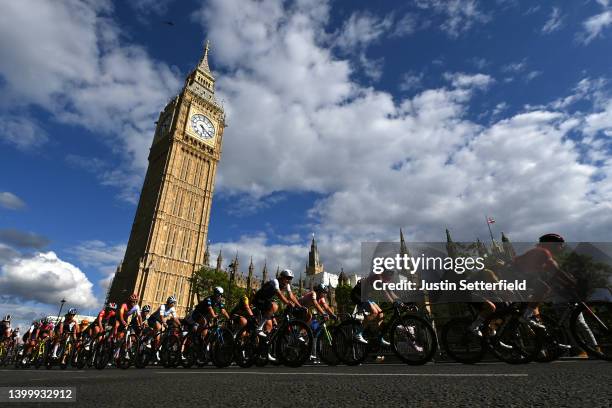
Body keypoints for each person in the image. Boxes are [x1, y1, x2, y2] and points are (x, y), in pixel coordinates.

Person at [350, 269, 400, 346]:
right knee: (374, 312)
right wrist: (394, 303)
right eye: (390, 275)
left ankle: (378, 337)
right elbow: (385, 293)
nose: (390, 278)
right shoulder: (378, 277)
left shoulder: (385, 279)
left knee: (381, 314)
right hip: (357, 294)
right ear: (385, 273)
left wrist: (400, 302)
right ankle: (358, 333)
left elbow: (391, 292)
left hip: (366, 296)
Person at [253, 269, 302, 337]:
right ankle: (259, 328)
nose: (289, 280)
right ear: (282, 277)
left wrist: (300, 306)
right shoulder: (275, 282)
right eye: (288, 278)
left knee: (269, 325)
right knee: (274, 306)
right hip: (258, 299)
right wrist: (288, 303)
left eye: (290, 278)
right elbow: (279, 294)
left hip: (266, 301)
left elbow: (291, 296)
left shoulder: (287, 285)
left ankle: (265, 343)